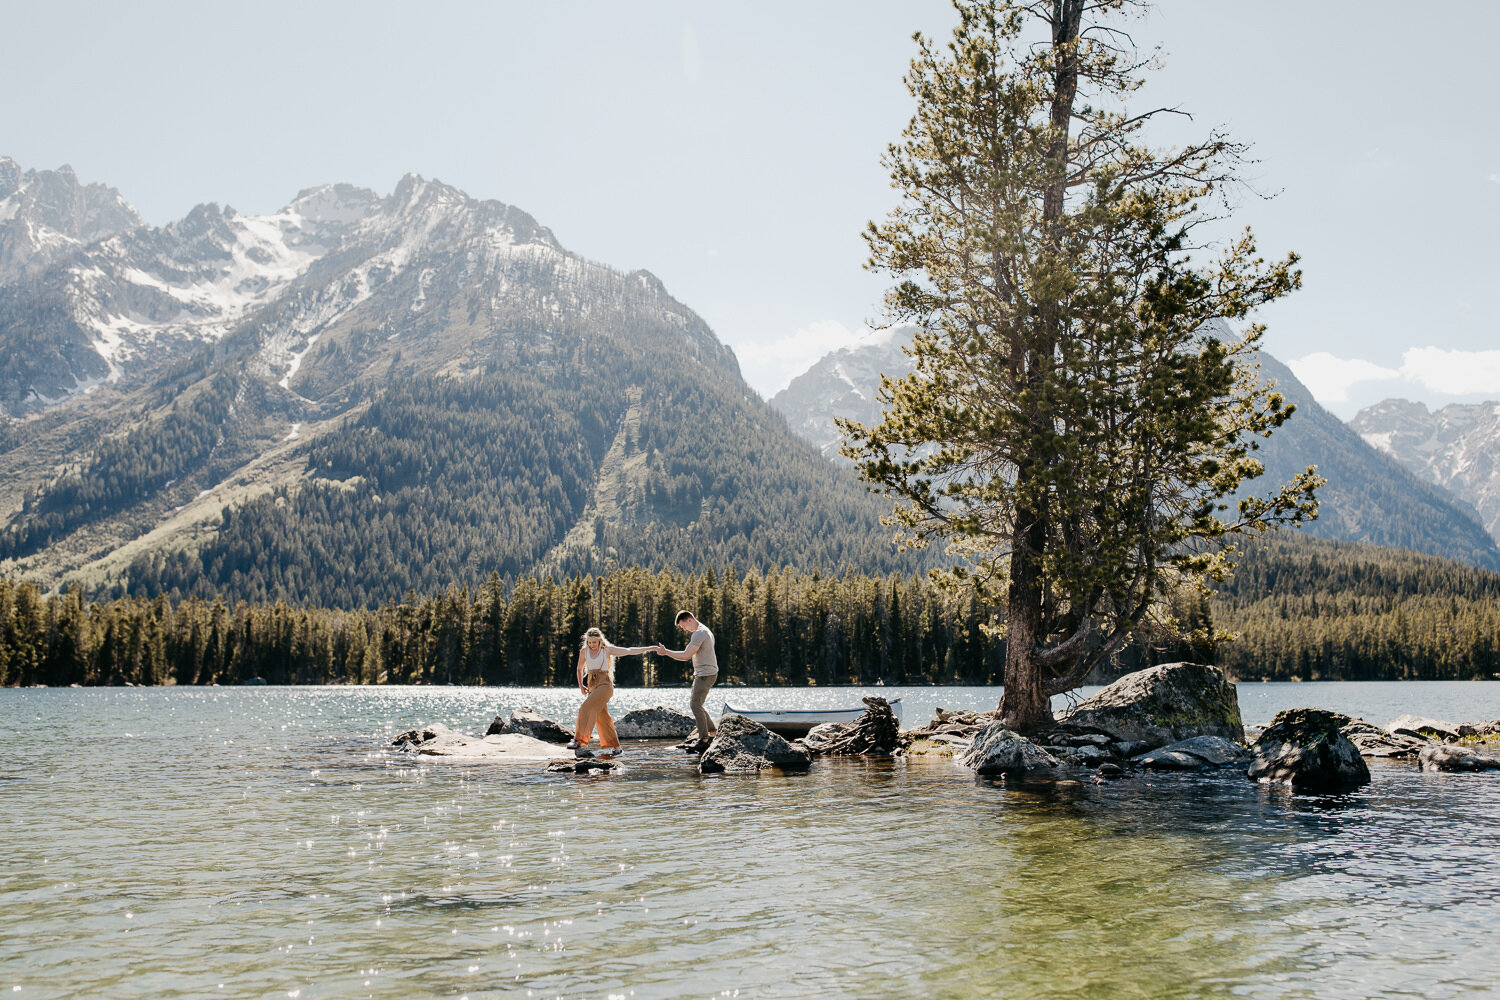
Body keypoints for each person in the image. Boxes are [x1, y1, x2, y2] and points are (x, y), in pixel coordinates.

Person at [569, 627, 653, 756]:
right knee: (602, 718)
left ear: (600, 641)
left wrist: (649, 648)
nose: (592, 645)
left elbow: (629, 651)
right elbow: (579, 669)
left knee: (585, 708)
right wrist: (581, 685)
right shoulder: (584, 651)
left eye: (594, 642)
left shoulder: (607, 650)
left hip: (605, 685)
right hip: (592, 685)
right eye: (589, 642)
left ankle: (578, 740)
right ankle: (617, 748)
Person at [655, 610, 719, 746]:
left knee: (695, 705)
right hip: (707, 673)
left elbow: (685, 656)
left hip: (705, 674)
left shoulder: (699, 633)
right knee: (698, 703)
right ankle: (712, 731)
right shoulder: (704, 630)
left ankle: (704, 738)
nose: (684, 629)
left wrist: (666, 652)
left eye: (683, 626)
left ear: (689, 620)